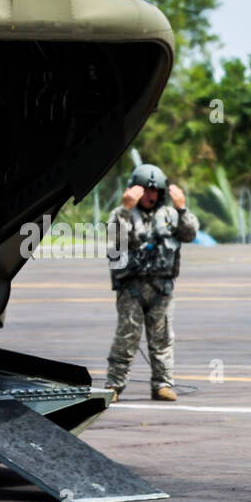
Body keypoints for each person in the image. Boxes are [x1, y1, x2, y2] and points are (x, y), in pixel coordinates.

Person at [105, 163, 198, 402]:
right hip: (131, 288)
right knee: (126, 337)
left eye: (155, 191)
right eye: (146, 190)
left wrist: (182, 208)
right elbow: (116, 238)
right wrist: (126, 209)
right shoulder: (121, 214)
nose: (151, 195)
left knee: (163, 339)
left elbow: (190, 234)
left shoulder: (169, 215)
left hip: (161, 288)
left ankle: (162, 385)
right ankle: (114, 385)